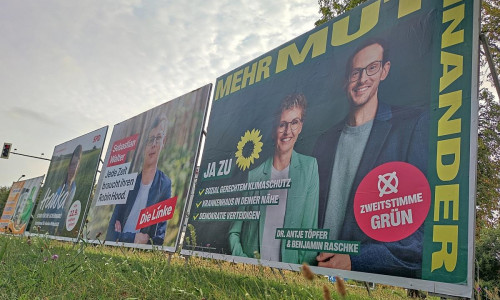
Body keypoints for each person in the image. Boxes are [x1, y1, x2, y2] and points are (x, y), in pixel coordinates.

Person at [313, 39, 428, 277]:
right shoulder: (324, 141)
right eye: (355, 72)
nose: (362, 79)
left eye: (372, 68)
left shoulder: (412, 126)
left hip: (363, 281)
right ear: (346, 80)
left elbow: (421, 236)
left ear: (385, 70)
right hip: (314, 269)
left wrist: (356, 261)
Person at [229, 93, 319, 265]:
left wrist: (297, 275)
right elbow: (234, 231)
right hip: (252, 274)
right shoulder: (253, 175)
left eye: (294, 123)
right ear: (273, 130)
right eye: (282, 124)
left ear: (300, 127)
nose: (288, 132)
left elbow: (310, 233)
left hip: (290, 276)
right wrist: (245, 263)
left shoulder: (310, 168)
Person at [106, 116, 172, 245]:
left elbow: (158, 239)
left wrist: (121, 236)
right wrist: (133, 238)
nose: (153, 144)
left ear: (164, 142)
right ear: (143, 146)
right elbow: (110, 234)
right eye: (150, 139)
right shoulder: (129, 182)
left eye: (158, 138)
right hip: (117, 250)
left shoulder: (164, 184)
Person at [57, 144, 82, 233]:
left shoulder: (74, 187)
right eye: (72, 165)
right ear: (68, 166)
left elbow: (65, 210)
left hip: (61, 226)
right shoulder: (61, 185)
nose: (73, 169)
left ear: (78, 167)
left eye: (75, 165)